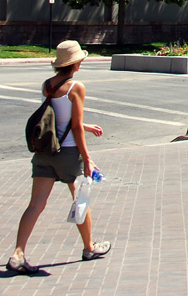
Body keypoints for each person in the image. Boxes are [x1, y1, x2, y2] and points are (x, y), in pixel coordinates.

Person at [7, 40, 111, 274]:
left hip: (46, 152)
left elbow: (57, 117)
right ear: (75, 63)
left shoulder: (48, 86)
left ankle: (18, 253)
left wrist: (85, 125)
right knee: (80, 200)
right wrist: (87, 158)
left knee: (35, 204)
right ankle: (89, 247)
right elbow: (73, 126)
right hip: (68, 153)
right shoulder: (77, 87)